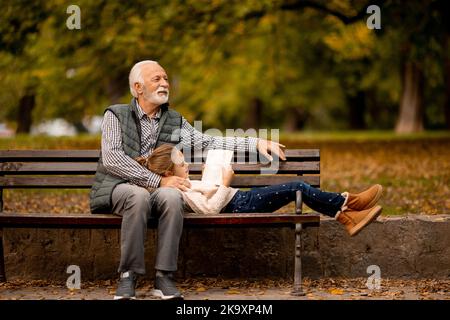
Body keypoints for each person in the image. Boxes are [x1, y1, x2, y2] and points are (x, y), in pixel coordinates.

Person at [89, 60, 285, 300]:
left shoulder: (174, 120)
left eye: (165, 78)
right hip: (119, 186)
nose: (164, 83)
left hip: (162, 189)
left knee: (172, 196)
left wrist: (254, 142)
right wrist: (156, 181)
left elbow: (209, 142)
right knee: (138, 195)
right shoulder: (115, 115)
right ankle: (128, 276)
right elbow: (112, 159)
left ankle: (164, 277)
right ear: (138, 88)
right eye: (157, 79)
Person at [137, 144, 383, 234]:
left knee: (296, 188)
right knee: (296, 186)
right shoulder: (178, 192)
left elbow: (206, 196)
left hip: (241, 200)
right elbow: (210, 210)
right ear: (168, 172)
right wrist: (224, 182)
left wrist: (209, 175)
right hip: (239, 205)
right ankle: (346, 204)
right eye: (182, 163)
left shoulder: (182, 184)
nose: (187, 164)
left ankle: (346, 213)